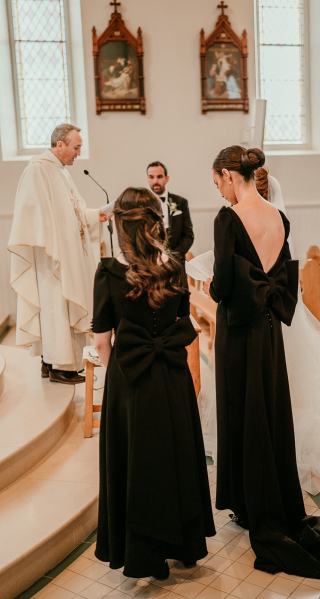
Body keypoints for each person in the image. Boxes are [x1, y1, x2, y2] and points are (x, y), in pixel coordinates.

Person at [205, 145, 320, 580]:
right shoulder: (279, 217)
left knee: (242, 409)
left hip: (239, 332)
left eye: (217, 180)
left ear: (228, 175)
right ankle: (267, 498)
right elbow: (272, 272)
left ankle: (248, 503)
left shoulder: (228, 219)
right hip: (270, 329)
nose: (217, 189)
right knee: (269, 410)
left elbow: (223, 283)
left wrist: (207, 284)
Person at [92, 187, 215, 580]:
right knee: (175, 457)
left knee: (138, 465)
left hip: (133, 382)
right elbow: (185, 320)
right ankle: (185, 546)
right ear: (155, 223)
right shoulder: (175, 266)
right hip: (173, 379)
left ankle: (146, 556)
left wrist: (119, 378)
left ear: (121, 227)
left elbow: (100, 340)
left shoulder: (110, 272)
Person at [254, 166, 320, 497]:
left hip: (272, 309)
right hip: (280, 309)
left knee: (288, 372)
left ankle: (279, 431)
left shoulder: (268, 220)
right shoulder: (273, 219)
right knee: (292, 372)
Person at [8, 123, 104, 384]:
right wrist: (55, 242)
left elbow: (73, 212)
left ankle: (53, 362)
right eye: (76, 147)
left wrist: (98, 215)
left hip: (66, 253)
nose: (78, 153)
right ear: (59, 144)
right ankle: (60, 366)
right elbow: (33, 214)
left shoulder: (61, 173)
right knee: (55, 309)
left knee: (60, 309)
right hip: (52, 257)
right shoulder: (37, 170)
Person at [146, 161, 194, 262]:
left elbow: (188, 236)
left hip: (176, 263)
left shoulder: (181, 202)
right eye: (151, 177)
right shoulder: (141, 204)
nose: (155, 180)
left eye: (159, 176)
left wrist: (173, 256)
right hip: (151, 264)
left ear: (166, 178)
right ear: (147, 179)